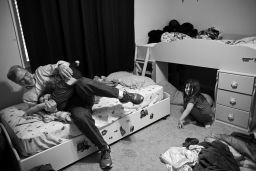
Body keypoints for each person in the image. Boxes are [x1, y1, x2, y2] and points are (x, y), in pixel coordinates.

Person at [7, 61, 144, 169]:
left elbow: (61, 65)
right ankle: (104, 149)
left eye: (25, 74)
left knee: (81, 81)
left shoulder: (41, 71)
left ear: (26, 69)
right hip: (69, 105)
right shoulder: (27, 96)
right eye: (21, 80)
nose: (26, 79)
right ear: (17, 83)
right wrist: (47, 108)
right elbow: (34, 112)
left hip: (81, 93)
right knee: (80, 116)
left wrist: (61, 67)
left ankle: (123, 94)